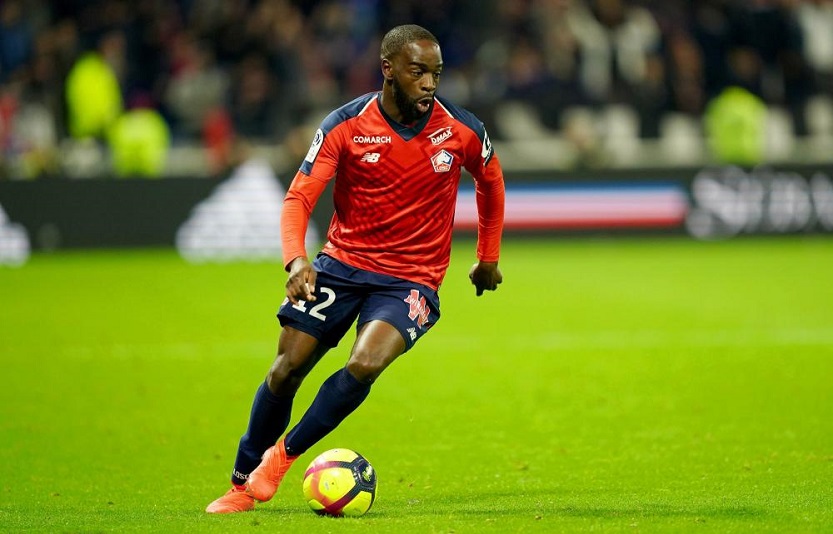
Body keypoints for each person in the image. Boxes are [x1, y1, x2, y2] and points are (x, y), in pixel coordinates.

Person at [205, 24, 505, 514]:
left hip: (411, 278)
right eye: (418, 72)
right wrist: (297, 260)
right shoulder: (345, 125)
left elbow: (491, 180)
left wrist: (488, 257)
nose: (430, 84)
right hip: (341, 266)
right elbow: (299, 197)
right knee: (285, 370)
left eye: (436, 73)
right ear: (388, 69)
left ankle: (279, 460)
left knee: (365, 364)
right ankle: (241, 481)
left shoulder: (461, 129)